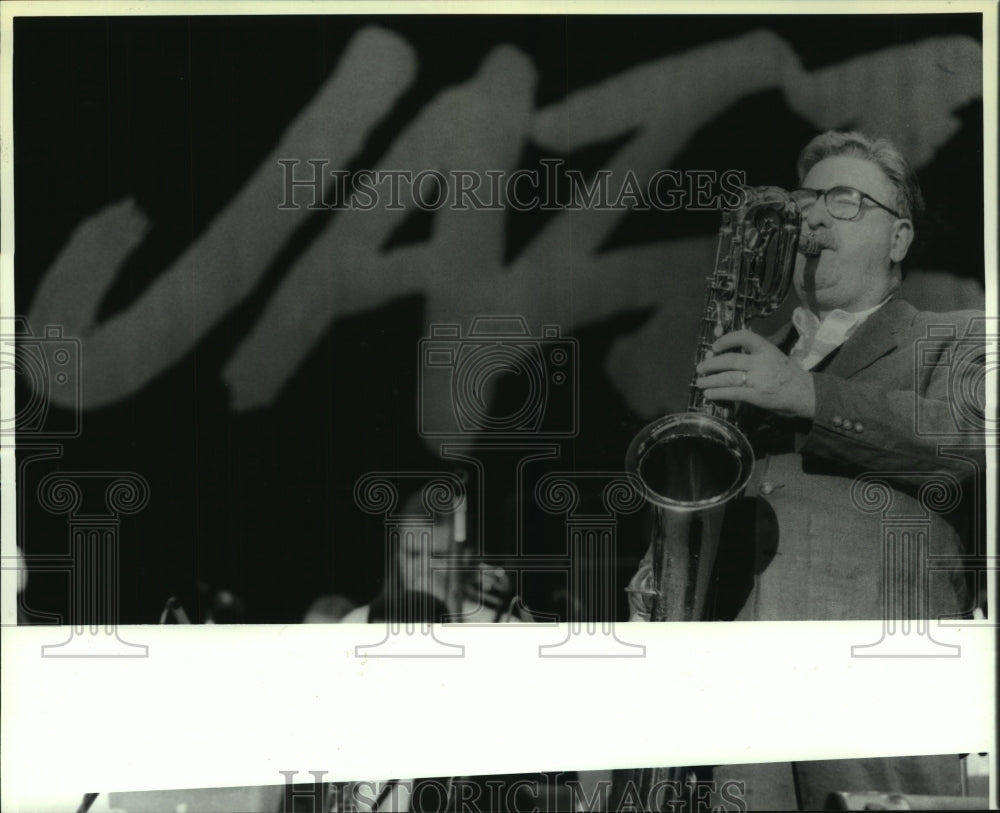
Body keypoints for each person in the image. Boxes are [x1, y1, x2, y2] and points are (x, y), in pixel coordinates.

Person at [624, 130, 985, 810]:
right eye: (805, 201)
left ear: (899, 236)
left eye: (844, 200)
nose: (812, 218)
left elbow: (966, 441)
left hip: (875, 686)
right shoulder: (748, 365)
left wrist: (807, 394)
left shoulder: (957, 334)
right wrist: (663, 566)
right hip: (728, 688)